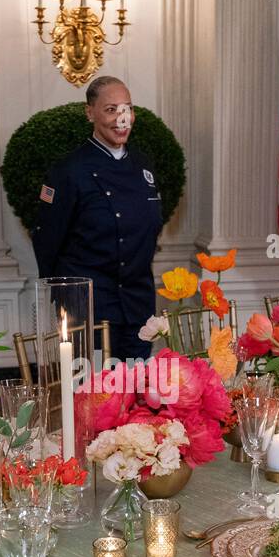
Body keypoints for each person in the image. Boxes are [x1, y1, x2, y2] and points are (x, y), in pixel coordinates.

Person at [32, 76, 163, 361]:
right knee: (95, 393)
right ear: (90, 112)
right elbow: (47, 241)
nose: (122, 119)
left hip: (137, 303)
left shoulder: (143, 165)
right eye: (111, 110)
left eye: (127, 109)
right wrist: (66, 301)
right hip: (90, 309)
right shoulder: (68, 171)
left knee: (136, 390)